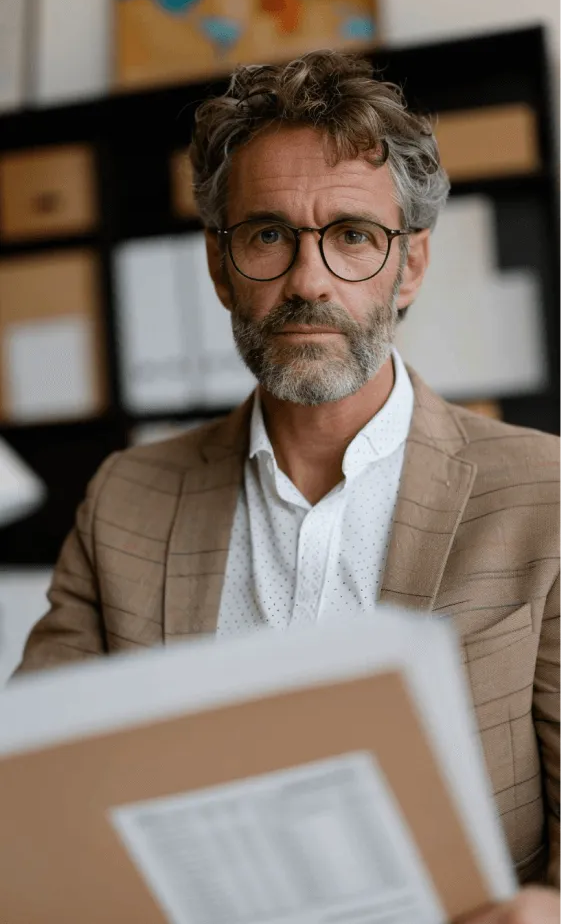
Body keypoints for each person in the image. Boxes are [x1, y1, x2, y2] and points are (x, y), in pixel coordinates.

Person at [16, 51, 561, 917]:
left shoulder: (545, 496)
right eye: (267, 234)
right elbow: (37, 790)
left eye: (352, 235)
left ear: (409, 265)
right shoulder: (126, 495)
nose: (308, 280)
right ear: (218, 263)